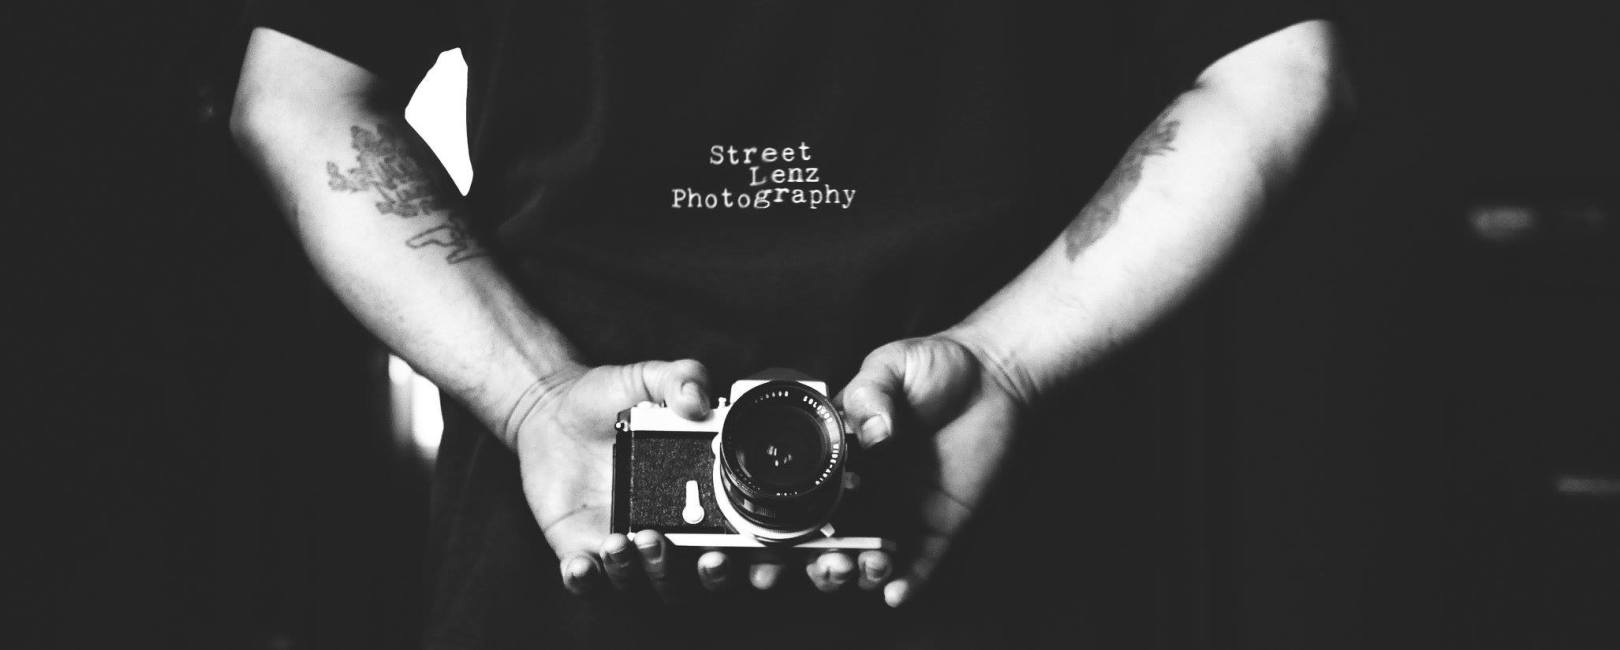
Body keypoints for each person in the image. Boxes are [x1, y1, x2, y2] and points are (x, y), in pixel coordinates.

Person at [232, 1, 1342, 647]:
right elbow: (300, 91)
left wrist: (1009, 363)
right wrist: (530, 397)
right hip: (589, 512)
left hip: (991, 508)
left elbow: (1277, 67)